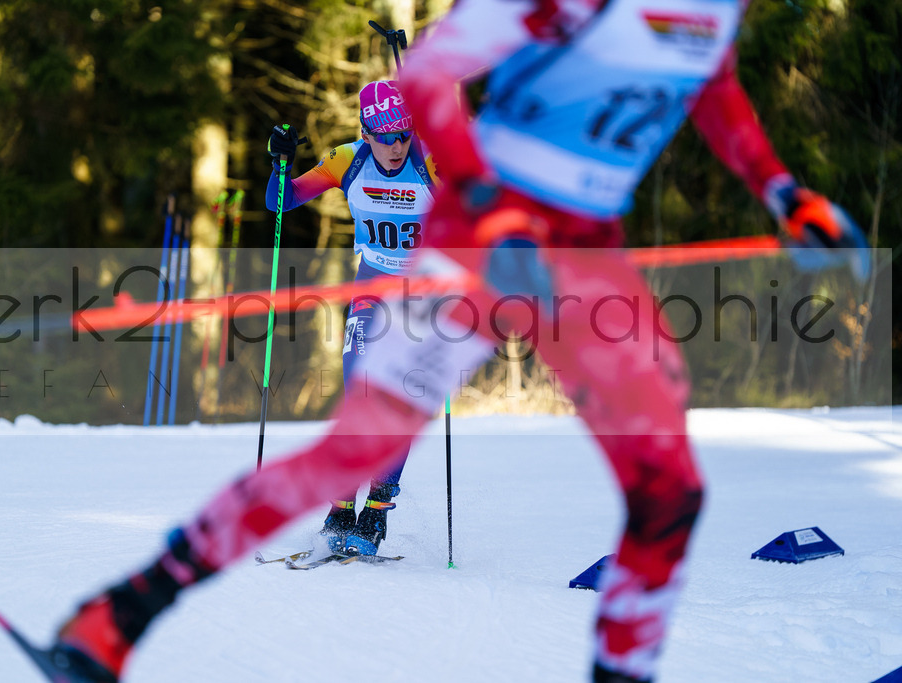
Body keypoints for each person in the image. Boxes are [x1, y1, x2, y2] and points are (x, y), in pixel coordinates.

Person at [43, 2, 869, 682]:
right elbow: (426, 76)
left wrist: (784, 190)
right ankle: (116, 618)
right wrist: (484, 196)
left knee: (669, 491)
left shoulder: (714, 10)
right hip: (477, 235)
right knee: (353, 452)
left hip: (583, 255)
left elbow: (713, 88)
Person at [264, 80, 438, 555]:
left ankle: (377, 512)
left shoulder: (431, 162)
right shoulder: (347, 160)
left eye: (404, 135)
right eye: (385, 137)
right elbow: (282, 202)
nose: (397, 146)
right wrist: (280, 164)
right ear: (367, 133)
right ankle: (341, 505)